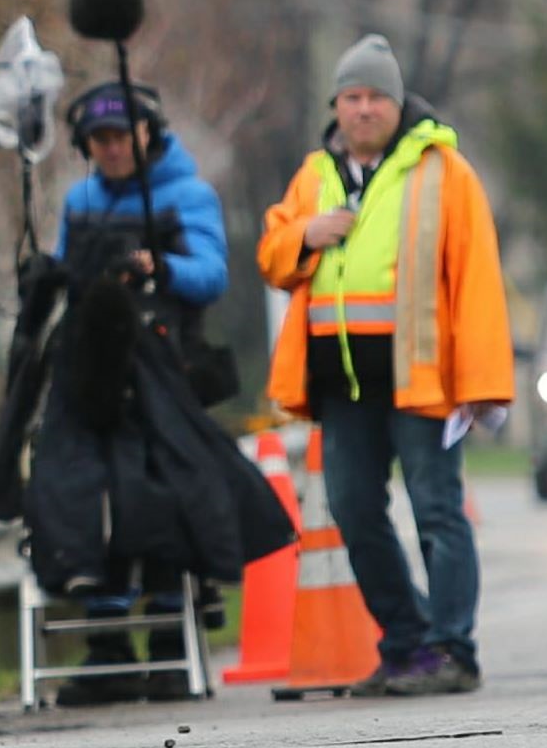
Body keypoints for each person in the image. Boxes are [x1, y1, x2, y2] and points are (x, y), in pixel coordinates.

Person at [258, 34, 513, 697]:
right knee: (351, 508)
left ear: (397, 104)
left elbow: (478, 278)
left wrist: (482, 383)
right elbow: (272, 253)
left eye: (376, 96)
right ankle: (407, 641)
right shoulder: (314, 176)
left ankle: (452, 649)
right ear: (336, 104)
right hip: (343, 381)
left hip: (423, 374)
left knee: (437, 509)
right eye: (352, 96)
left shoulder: (441, 169)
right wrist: (304, 236)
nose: (364, 108)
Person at [41, 83, 228, 706]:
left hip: (165, 375)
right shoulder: (80, 201)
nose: (112, 149)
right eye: (100, 141)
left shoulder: (188, 195)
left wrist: (160, 268)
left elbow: (212, 275)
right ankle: (109, 650)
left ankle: (172, 647)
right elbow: (70, 276)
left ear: (148, 134)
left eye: (122, 136)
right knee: (91, 500)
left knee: (163, 499)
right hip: (94, 379)